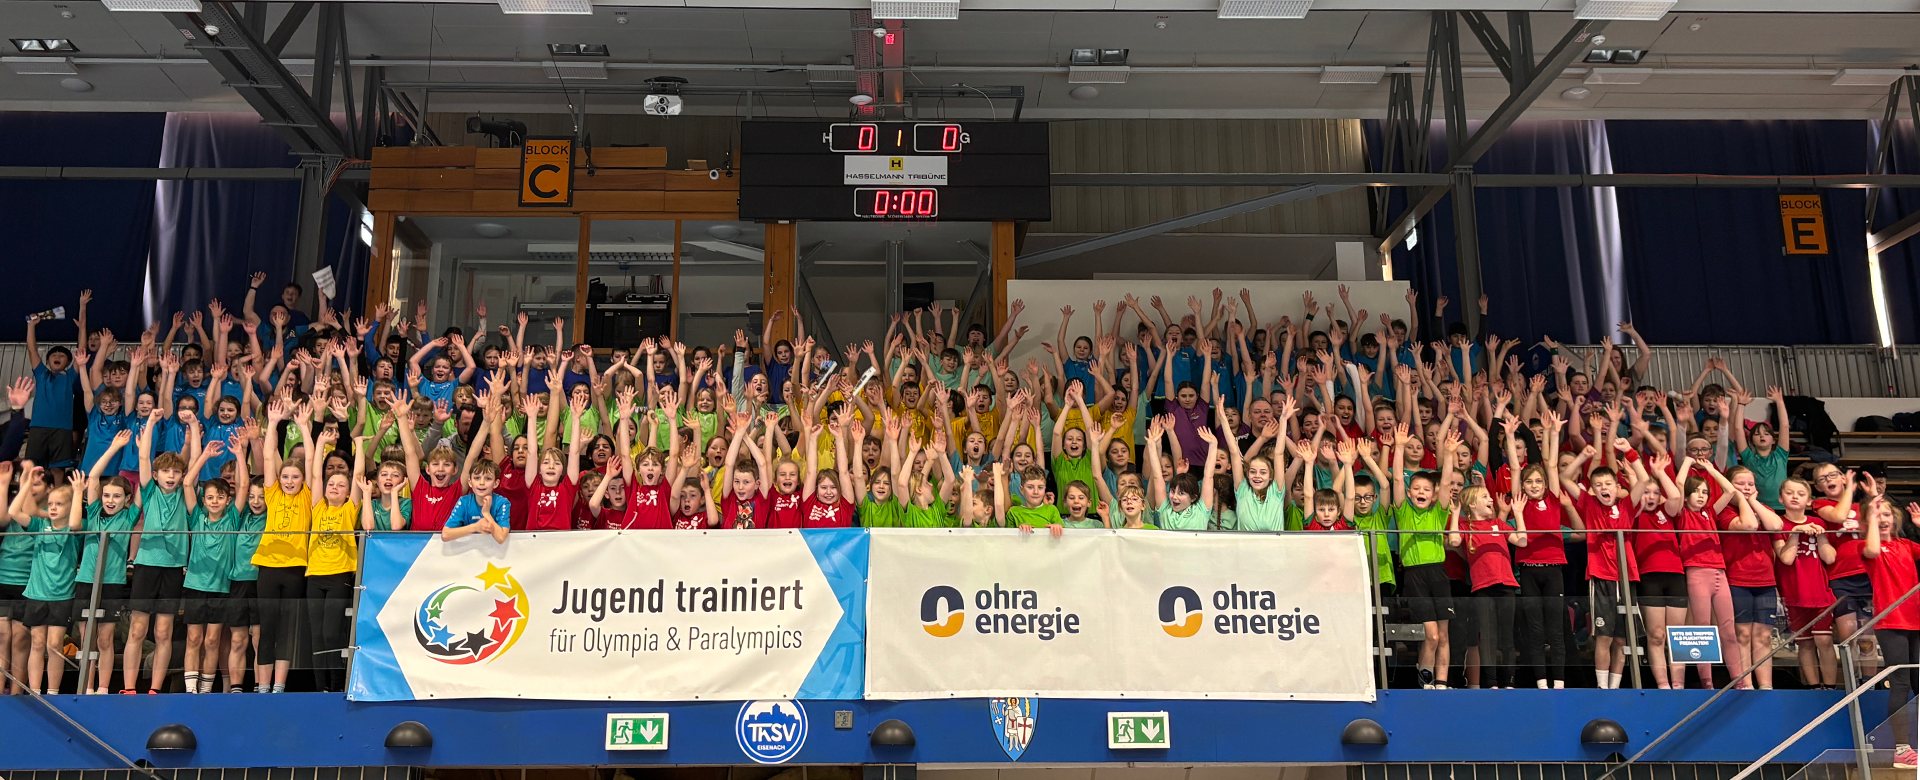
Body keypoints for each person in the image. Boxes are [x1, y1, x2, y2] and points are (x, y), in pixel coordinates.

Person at [253, 398, 316, 693]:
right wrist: (273, 423)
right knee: (267, 628)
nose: (289, 481)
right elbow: (268, 457)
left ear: (303, 480)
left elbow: (313, 463)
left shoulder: (307, 497)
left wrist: (304, 428)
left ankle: (279, 686)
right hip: (267, 567)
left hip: (295, 568)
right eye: (285, 477)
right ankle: (262, 687)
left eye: (295, 477)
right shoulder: (273, 494)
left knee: (287, 629)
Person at [1391, 423, 1456, 689]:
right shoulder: (1404, 511)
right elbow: (1397, 479)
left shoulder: (1439, 512)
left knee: (1443, 635)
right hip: (1415, 575)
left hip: (1438, 573)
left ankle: (1441, 683)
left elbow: (1446, 482)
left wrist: (1449, 454)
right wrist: (1398, 447)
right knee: (1431, 636)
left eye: (1426, 490)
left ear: (1433, 495)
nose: (1421, 492)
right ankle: (1425, 680)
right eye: (1416, 489)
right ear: (1409, 493)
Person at [73, 432, 137, 694]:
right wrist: (113, 448)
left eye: (117, 496)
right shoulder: (94, 514)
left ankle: (102, 688)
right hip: (86, 581)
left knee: (105, 639)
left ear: (127, 500)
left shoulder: (129, 517)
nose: (110, 500)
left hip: (111, 583)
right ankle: (86, 689)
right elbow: (94, 476)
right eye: (107, 495)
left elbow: (143, 485)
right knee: (87, 640)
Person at [10, 467, 83, 695]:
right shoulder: (41, 526)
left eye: (59, 504)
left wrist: (78, 492)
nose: (52, 507)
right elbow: (14, 512)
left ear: (70, 507)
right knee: (37, 643)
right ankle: (35, 692)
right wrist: (26, 484)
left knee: (54, 645)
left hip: (62, 596)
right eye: (50, 504)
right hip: (36, 594)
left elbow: (75, 524)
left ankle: (52, 692)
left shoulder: (74, 530)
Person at [1863, 492, 1920, 770]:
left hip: (1916, 621)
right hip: (1891, 623)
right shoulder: (1868, 547)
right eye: (1877, 515)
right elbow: (1873, 550)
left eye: (1887, 514)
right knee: (1900, 683)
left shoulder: (1906, 545)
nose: (1883, 518)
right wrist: (1872, 518)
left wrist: (1919, 526)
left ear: (1896, 518)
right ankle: (1902, 750)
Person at [1448, 484, 1525, 689]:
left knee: (1507, 636)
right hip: (1482, 588)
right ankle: (1491, 682)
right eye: (1485, 497)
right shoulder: (1465, 526)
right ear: (1472, 504)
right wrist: (1455, 514)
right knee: (1487, 636)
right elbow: (1454, 541)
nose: (1491, 500)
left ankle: (1509, 681)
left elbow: (1522, 541)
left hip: (1506, 585)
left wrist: (1518, 513)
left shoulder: (1498, 523)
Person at [1772, 477, 1838, 689]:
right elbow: (1786, 558)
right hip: (1793, 593)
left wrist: (1820, 536)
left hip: (1819, 592)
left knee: (1824, 641)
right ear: (1781, 498)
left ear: (1809, 501)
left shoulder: (1818, 522)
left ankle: (1830, 688)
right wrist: (1795, 534)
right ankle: (1813, 687)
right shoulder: (1777, 524)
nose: (1795, 497)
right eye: (1789, 493)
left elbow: (1830, 557)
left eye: (1800, 494)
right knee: (1805, 643)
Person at [306, 430, 359, 692]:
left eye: (340, 485)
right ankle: (320, 689)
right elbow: (316, 476)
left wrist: (358, 447)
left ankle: (337, 686)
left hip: (339, 575)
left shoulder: (349, 509)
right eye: (331, 484)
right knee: (316, 636)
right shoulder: (318, 507)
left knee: (331, 634)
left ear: (348, 492)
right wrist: (320, 445)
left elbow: (358, 477)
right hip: (315, 576)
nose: (334, 487)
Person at [23, 311, 81, 477]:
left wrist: (82, 327)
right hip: (38, 426)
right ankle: (28, 492)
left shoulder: (70, 376)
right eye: (53, 355)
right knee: (32, 467)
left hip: (62, 428)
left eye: (62, 355)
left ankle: (59, 493)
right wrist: (31, 326)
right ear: (47, 361)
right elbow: (32, 349)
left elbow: (82, 350)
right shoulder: (42, 374)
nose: (57, 356)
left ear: (68, 362)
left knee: (58, 468)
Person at [442, 459, 511, 544]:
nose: (482, 483)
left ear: (496, 483)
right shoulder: (464, 502)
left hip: (494, 550)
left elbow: (501, 538)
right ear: (470, 482)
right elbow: (445, 535)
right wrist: (475, 527)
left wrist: (486, 514)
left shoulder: (502, 503)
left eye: (488, 478)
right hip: (469, 549)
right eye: (477, 478)